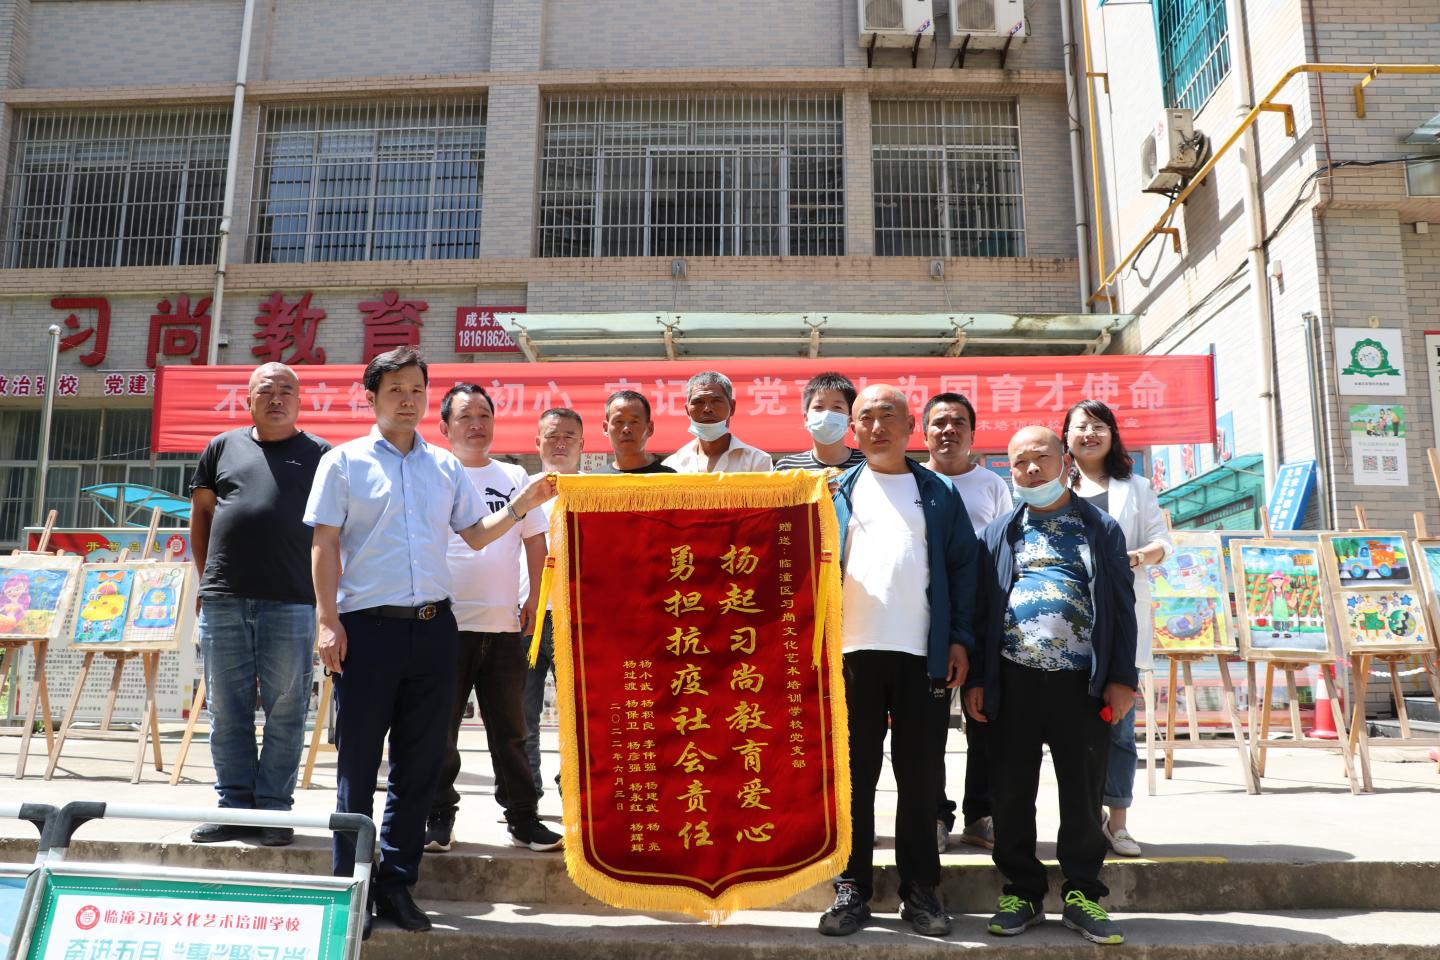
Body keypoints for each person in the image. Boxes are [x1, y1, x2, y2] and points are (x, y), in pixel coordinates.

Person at [305, 346, 555, 937]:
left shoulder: (443, 466)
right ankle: (350, 889)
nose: (408, 399)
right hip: (367, 629)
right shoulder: (342, 462)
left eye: (416, 389)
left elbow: (475, 534)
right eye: (396, 389)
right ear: (371, 396)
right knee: (358, 763)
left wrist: (521, 506)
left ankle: (397, 884)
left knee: (419, 765)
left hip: (434, 628)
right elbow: (324, 543)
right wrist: (326, 619)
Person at [964, 426, 1137, 946]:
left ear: (1064, 460)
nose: (1031, 469)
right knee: (1011, 791)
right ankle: (1022, 890)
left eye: (1040, 457)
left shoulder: (1099, 527)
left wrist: (1121, 678)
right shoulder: (999, 532)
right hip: (1012, 679)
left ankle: (1083, 892)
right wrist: (978, 679)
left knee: (1082, 792)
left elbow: (1122, 607)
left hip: (1081, 684)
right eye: (1019, 462)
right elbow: (982, 610)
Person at [819, 385, 977, 939]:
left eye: (889, 415)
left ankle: (921, 892)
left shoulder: (937, 492)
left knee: (919, 779)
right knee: (853, 779)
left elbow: (962, 568)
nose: (877, 425)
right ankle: (850, 889)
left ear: (911, 428)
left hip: (921, 655)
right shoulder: (835, 491)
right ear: (853, 429)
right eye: (866, 416)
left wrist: (959, 639)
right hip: (849, 655)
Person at [188, 362, 330, 847]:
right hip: (224, 599)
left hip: (292, 601)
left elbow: (334, 530)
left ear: (300, 400)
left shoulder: (321, 455)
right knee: (226, 710)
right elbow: (202, 514)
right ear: (248, 400)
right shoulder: (221, 447)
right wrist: (206, 580)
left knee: (286, 710)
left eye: (286, 390)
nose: (276, 398)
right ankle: (233, 807)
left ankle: (272, 810)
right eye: (265, 390)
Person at [424, 384, 561, 856]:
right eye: (465, 416)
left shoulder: (514, 474)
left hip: (504, 625)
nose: (476, 424)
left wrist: (534, 598)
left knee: (511, 730)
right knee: (439, 729)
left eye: (484, 415)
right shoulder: (434, 472)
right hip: (444, 624)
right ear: (444, 427)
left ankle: (523, 818)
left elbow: (535, 539)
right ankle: (438, 817)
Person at [1062, 399, 1172, 858]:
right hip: (1068, 621)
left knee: (1119, 725)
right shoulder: (1054, 484)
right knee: (1072, 727)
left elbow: (1162, 541)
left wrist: (1137, 557)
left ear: (1112, 434)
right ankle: (1085, 820)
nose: (1089, 434)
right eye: (1080, 426)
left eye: (1098, 426)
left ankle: (1119, 822)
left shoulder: (1137, 487)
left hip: (1121, 614)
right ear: (1065, 437)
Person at [921, 392, 1012, 854]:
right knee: (927, 724)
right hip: (927, 617)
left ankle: (981, 814)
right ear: (923, 434)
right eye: (939, 423)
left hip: (983, 616)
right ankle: (935, 814)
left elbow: (1007, 550)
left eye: (958, 422)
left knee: (985, 717)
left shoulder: (992, 486)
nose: (948, 430)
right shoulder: (913, 481)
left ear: (973, 434)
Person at [519, 407, 585, 803]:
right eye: (552, 436)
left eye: (568, 436)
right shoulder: (520, 491)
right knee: (520, 716)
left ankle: (573, 793)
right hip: (525, 616)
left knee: (576, 716)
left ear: (582, 443)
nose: (560, 443)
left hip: (576, 618)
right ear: (537, 443)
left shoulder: (595, 493)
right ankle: (525, 797)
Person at [662, 371, 773, 473]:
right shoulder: (672, 465)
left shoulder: (757, 461)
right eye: (698, 402)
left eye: (716, 401)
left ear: (732, 407)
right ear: (687, 411)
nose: (707, 409)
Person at [774, 372, 866, 471]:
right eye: (818, 407)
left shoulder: (867, 463)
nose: (827, 414)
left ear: (850, 419)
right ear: (806, 418)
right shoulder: (787, 467)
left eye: (837, 407)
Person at [597, 390, 676, 474]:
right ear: (605, 428)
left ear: (650, 428)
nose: (626, 429)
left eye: (634, 422)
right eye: (619, 421)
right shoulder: (593, 479)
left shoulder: (669, 478)